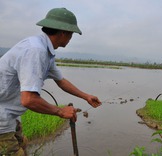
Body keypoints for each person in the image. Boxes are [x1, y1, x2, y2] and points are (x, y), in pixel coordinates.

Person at [0, 8, 101, 155]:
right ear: (63, 33)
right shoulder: (36, 50)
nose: (71, 38)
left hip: (10, 116)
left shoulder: (45, 50)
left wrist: (86, 96)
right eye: (71, 34)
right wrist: (60, 111)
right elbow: (28, 100)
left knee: (24, 144)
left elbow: (60, 80)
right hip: (2, 118)